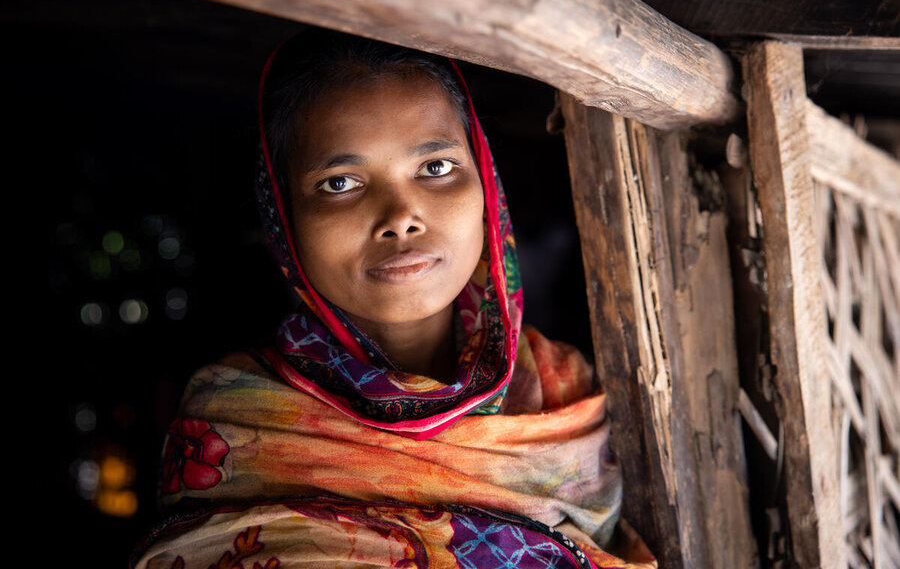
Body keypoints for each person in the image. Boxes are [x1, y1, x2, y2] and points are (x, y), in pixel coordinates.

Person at [132, 29, 656, 569]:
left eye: (435, 167)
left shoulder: (561, 390)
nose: (400, 216)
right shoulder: (236, 420)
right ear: (284, 218)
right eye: (341, 183)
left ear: (486, 187)